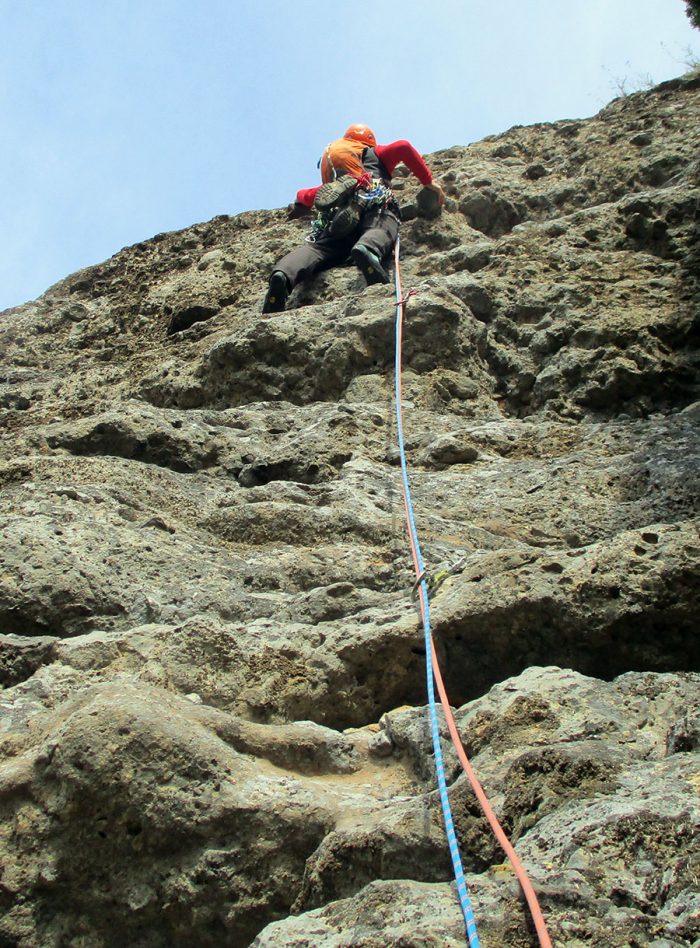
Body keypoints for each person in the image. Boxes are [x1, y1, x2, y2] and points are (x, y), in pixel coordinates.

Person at [262, 124, 444, 313]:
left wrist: (300, 207)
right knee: (381, 227)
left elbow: (303, 195)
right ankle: (368, 248)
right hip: (374, 200)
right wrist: (428, 181)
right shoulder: (373, 152)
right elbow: (403, 146)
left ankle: (283, 275)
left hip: (337, 216)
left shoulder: (335, 174)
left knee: (319, 250)